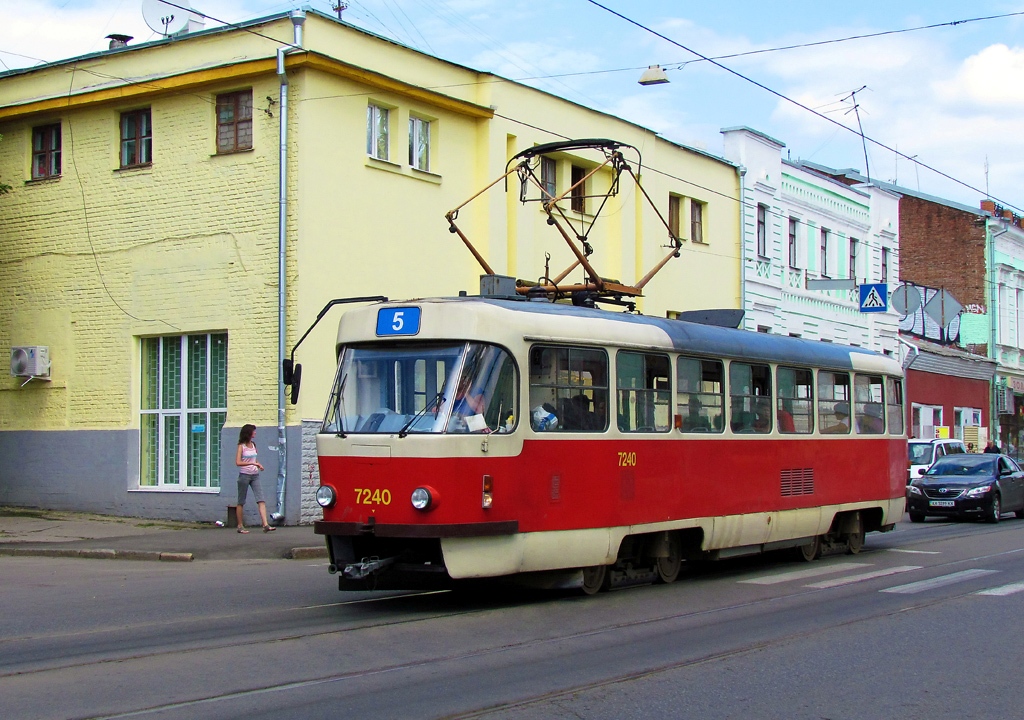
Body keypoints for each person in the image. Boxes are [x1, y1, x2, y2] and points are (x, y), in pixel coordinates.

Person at [235, 424, 275, 533]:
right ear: (248, 433)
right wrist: (252, 463)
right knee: (241, 501)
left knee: (261, 499)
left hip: (255, 475)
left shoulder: (253, 445)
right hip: (244, 475)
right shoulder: (241, 446)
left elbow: (254, 459)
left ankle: (265, 525)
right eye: (254, 431)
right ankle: (240, 525)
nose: (255, 433)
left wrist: (258, 464)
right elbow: (238, 462)